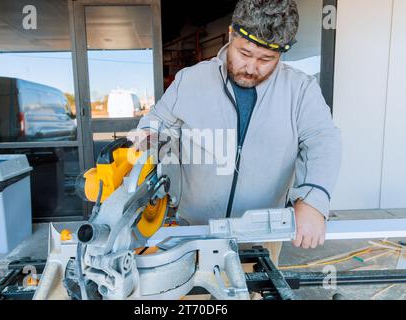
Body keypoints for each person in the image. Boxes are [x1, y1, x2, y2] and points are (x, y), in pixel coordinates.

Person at [131, 0, 341, 265]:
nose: (251, 68)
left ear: (281, 53)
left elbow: (323, 140)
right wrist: (145, 153)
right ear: (232, 34)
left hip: (261, 237)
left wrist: (312, 200)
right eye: (244, 53)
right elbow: (156, 125)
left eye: (266, 59)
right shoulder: (190, 80)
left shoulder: (301, 91)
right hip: (193, 232)